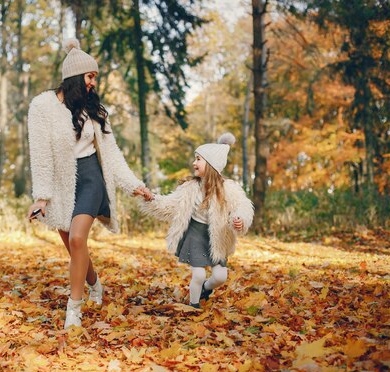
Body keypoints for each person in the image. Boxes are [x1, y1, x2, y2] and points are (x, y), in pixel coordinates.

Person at [26, 38, 153, 329]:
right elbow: (40, 153)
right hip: (61, 182)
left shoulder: (95, 110)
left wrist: (134, 185)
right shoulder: (42, 107)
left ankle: (74, 308)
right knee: (73, 245)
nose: (94, 82)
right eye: (90, 76)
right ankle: (94, 283)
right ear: (74, 76)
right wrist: (42, 197)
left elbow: (112, 154)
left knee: (78, 238)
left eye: (95, 76)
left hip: (91, 178)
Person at [142, 133, 254, 308]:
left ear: (211, 164)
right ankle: (193, 305)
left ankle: (205, 289)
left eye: (198, 159)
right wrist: (151, 199)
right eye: (195, 159)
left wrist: (240, 219)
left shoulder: (228, 189)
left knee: (220, 277)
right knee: (199, 274)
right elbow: (170, 205)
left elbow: (243, 205)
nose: (194, 163)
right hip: (195, 234)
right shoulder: (190, 188)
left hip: (216, 236)